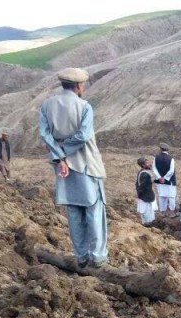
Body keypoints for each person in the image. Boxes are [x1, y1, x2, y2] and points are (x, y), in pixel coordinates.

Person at [39, 68, 108, 268]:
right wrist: (66, 152)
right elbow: (84, 136)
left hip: (62, 168)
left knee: (74, 210)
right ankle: (97, 256)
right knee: (94, 208)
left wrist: (59, 157)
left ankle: (80, 256)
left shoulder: (46, 105)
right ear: (78, 85)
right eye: (83, 85)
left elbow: (45, 134)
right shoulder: (84, 106)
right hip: (86, 165)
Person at [152, 143, 176, 214]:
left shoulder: (156, 158)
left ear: (160, 149)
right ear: (167, 150)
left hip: (160, 181)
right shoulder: (171, 159)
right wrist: (165, 178)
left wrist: (160, 177)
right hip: (169, 181)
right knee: (171, 196)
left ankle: (162, 211)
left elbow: (154, 168)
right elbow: (171, 171)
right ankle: (172, 211)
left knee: (162, 196)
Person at [135, 157, 156, 226]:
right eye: (147, 163)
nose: (149, 164)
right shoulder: (145, 174)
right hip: (145, 197)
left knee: (147, 214)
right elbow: (142, 186)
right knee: (148, 215)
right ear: (143, 165)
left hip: (144, 197)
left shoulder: (142, 172)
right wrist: (141, 195)